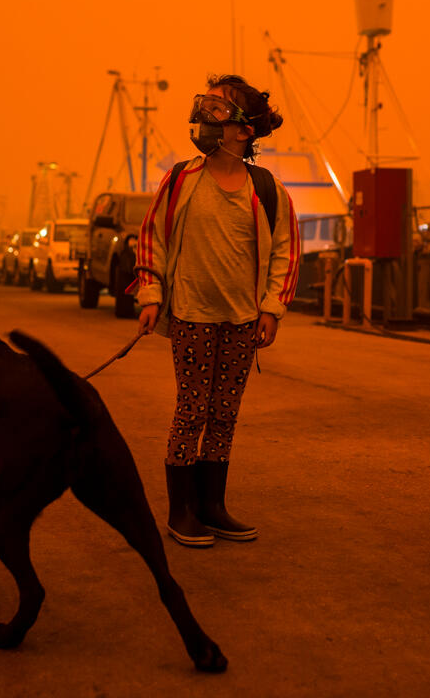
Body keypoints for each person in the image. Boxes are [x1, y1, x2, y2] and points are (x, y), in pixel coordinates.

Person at [133, 75, 299, 548]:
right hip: (191, 315)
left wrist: (272, 309)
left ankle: (212, 504)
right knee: (192, 410)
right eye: (207, 105)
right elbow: (152, 238)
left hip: (243, 321)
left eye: (220, 108)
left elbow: (286, 251)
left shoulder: (266, 190)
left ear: (243, 130)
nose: (206, 114)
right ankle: (181, 510)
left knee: (224, 413)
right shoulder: (182, 178)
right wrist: (150, 295)